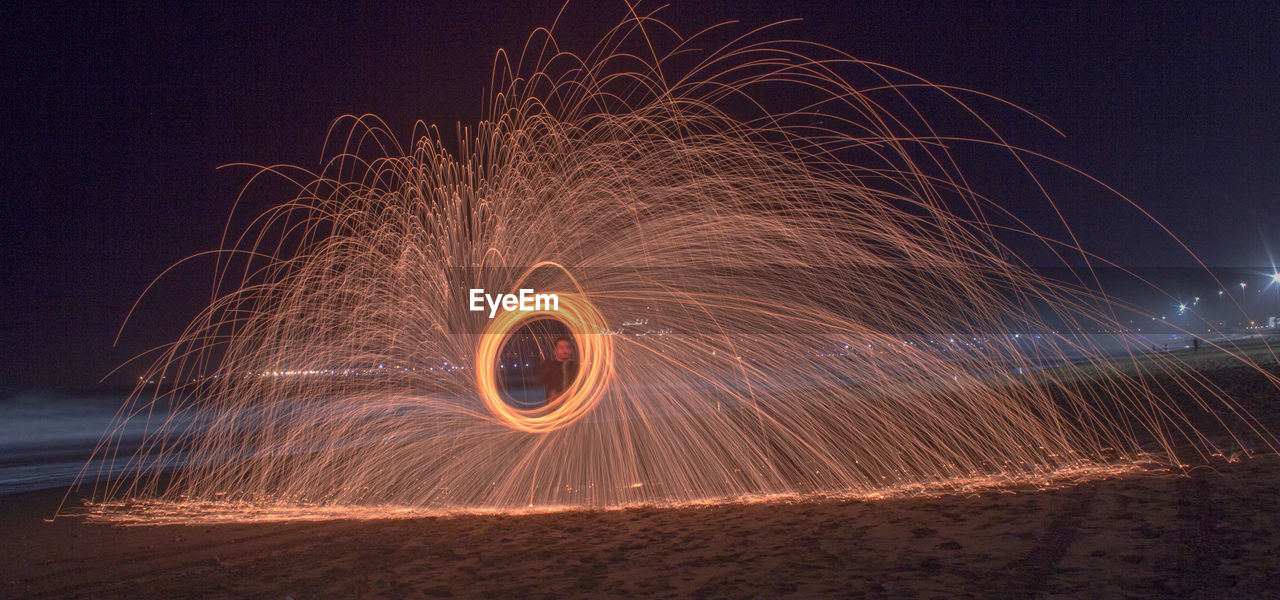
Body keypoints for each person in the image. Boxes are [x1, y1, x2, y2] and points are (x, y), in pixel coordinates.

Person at [538, 337, 579, 404]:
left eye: (567, 347)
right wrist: (554, 395)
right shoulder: (550, 367)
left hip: (572, 405)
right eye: (561, 347)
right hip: (555, 406)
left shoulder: (576, 367)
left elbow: (581, 385)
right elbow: (540, 382)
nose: (564, 350)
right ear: (555, 351)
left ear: (571, 351)